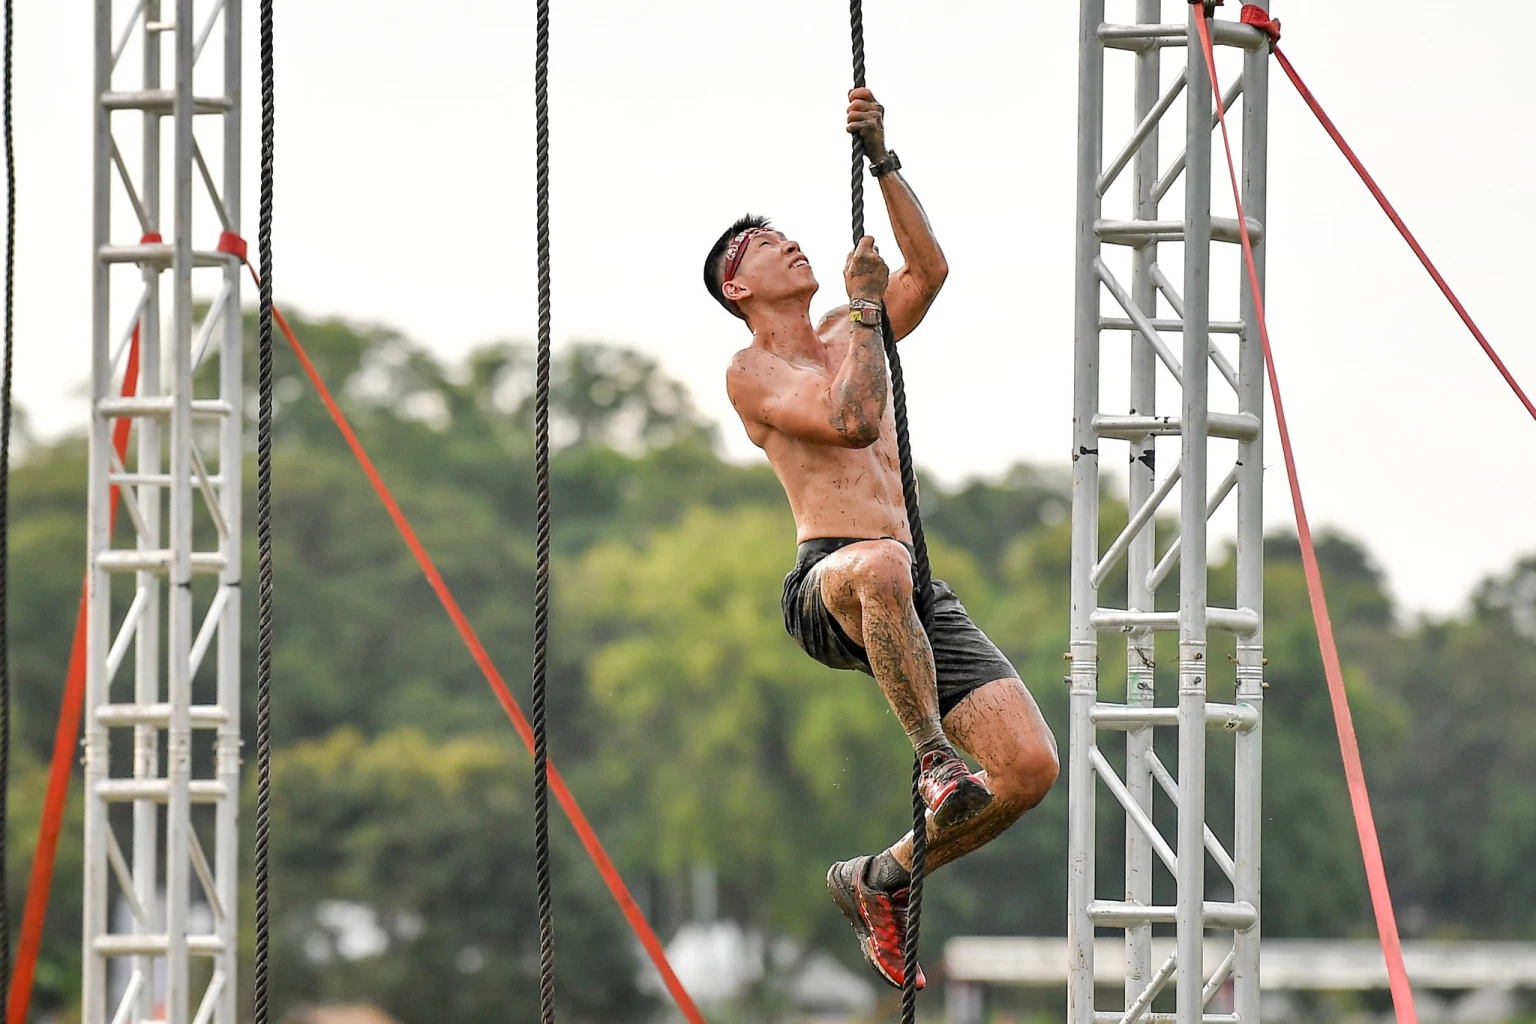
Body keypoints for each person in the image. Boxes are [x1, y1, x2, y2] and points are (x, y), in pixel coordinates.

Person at [701, 88, 1060, 991]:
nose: (788, 241)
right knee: (881, 562)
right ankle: (934, 760)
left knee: (1026, 770)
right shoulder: (754, 370)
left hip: (909, 586)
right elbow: (854, 422)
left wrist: (885, 161)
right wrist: (865, 312)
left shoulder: (849, 331)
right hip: (831, 580)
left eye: (787, 233)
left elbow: (929, 272)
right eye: (761, 244)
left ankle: (881, 877)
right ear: (737, 288)